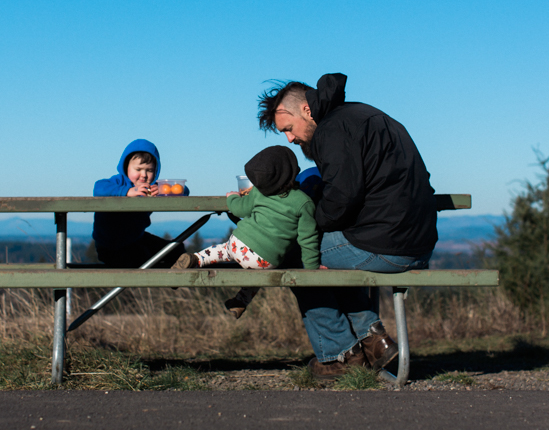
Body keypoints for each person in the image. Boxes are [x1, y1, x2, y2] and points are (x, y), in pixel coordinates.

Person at [257, 73, 437, 379]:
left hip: (387, 244)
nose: (290, 138)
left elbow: (341, 199)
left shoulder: (333, 130)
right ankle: (372, 340)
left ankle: (337, 357)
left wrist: (308, 224)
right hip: (416, 241)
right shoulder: (363, 114)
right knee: (324, 253)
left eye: (288, 129)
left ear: (306, 110)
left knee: (296, 253)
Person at [172, 146, 320, 319]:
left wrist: (232, 197)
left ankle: (196, 259)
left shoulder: (259, 192)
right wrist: (312, 269)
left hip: (238, 244)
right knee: (256, 277)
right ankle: (240, 302)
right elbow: (308, 239)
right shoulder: (303, 202)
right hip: (266, 261)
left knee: (219, 251)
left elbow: (240, 210)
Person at [92, 138, 189, 268]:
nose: (143, 175)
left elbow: (184, 190)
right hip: (110, 246)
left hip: (136, 239)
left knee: (175, 249)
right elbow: (98, 188)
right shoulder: (118, 182)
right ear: (126, 167)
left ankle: (178, 277)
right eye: (138, 169)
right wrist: (126, 192)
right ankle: (166, 276)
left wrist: (162, 190)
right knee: (142, 256)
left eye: (149, 170)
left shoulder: (153, 188)